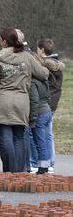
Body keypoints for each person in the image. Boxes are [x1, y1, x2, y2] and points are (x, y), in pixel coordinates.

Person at [0, 27, 49, 173]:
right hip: (21, 103)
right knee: (19, 137)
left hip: (1, 103)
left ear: (4, 41)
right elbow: (43, 74)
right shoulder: (27, 57)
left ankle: (9, 172)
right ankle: (18, 173)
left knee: (5, 138)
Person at [37, 38, 64, 172]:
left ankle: (46, 161)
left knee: (44, 132)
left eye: (38, 49)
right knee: (49, 133)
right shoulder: (57, 64)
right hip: (54, 102)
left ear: (42, 50)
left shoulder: (46, 66)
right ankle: (51, 161)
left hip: (47, 103)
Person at [29, 71, 53, 174]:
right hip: (47, 110)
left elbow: (34, 100)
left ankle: (43, 168)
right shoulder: (43, 79)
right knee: (46, 141)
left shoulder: (33, 82)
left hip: (39, 113)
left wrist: (33, 118)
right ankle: (47, 164)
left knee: (40, 142)